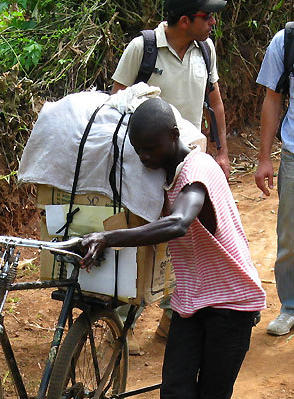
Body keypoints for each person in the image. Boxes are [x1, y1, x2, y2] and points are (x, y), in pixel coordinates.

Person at [80, 98, 266, 399]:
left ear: (173, 137)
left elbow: (180, 224)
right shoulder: (166, 175)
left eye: (150, 148)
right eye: (138, 150)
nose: (145, 157)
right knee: (178, 394)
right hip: (193, 300)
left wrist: (111, 237)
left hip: (231, 303)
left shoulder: (197, 172)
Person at [112, 0, 231, 349]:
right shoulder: (143, 49)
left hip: (187, 164)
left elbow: (215, 102)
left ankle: (171, 319)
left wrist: (221, 152)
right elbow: (115, 104)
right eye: (206, 17)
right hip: (144, 165)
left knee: (184, 241)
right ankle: (120, 325)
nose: (212, 23)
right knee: (135, 236)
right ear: (184, 20)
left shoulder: (206, 49)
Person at [255, 29, 294, 336]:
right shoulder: (286, 41)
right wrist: (264, 158)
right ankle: (290, 307)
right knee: (289, 238)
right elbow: (272, 99)